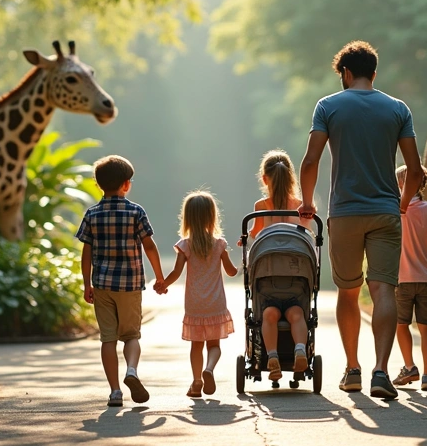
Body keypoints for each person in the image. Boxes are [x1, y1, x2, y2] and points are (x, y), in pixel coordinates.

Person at [298, 40, 424, 399]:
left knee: (348, 291)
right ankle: (381, 372)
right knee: (384, 289)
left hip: (345, 213)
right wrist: (400, 204)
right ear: (374, 74)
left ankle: (352, 369)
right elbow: (414, 170)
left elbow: (310, 161)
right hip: (385, 212)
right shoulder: (398, 109)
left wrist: (307, 203)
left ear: (346, 73)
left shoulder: (328, 106)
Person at [77, 155, 167, 408]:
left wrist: (87, 284)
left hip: (103, 284)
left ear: (98, 185)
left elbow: (86, 252)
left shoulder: (92, 214)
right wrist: (160, 277)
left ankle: (115, 391)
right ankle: (132, 371)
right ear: (126, 184)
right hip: (130, 284)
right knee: (131, 335)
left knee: (107, 339)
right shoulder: (136, 211)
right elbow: (149, 245)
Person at [163, 191, 238, 398]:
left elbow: (176, 273)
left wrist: (162, 285)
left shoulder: (185, 245)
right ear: (212, 216)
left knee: (196, 346)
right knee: (214, 345)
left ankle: (197, 382)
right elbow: (231, 272)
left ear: (187, 217)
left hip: (195, 304)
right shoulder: (220, 244)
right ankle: (209, 369)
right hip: (215, 303)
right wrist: (241, 266)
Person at [247, 150, 310, 380]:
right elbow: (308, 236)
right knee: (296, 315)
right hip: (295, 285)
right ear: (291, 178)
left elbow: (255, 235)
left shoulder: (261, 205)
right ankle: (300, 350)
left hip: (269, 284)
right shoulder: (299, 205)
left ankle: (271, 356)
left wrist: (245, 239)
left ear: (264, 178)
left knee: (269, 316)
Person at [391, 165, 427, 391]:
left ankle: (409, 367)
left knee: (401, 325)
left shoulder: (395, 212)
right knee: (426, 328)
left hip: (402, 278)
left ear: (399, 185)